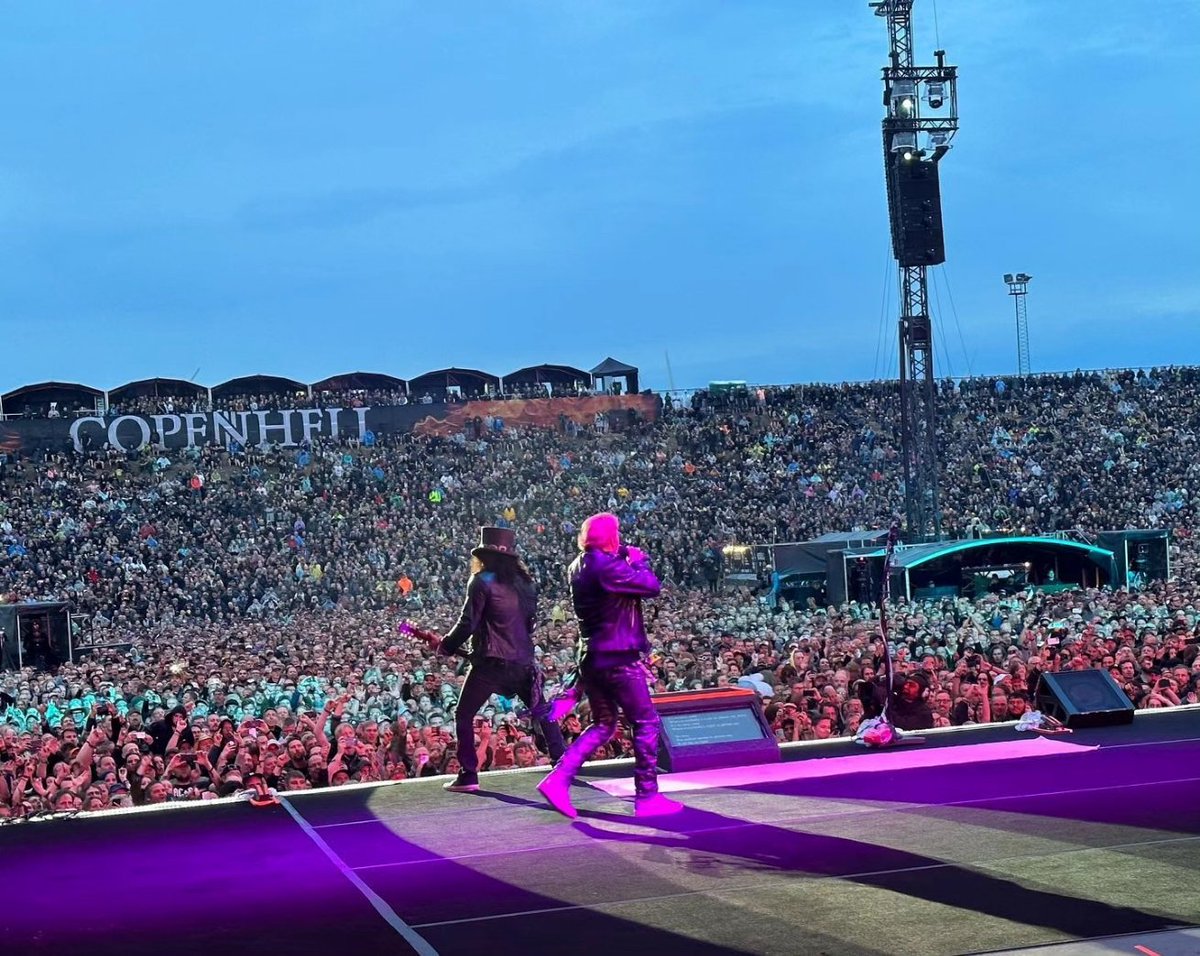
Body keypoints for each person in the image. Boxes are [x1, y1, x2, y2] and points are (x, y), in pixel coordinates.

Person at [537, 512, 682, 818]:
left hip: (592, 657)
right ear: (610, 536)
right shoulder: (607, 566)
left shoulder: (578, 565)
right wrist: (638, 560)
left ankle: (558, 779)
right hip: (618, 657)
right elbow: (650, 585)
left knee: (604, 724)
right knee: (645, 722)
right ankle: (647, 797)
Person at [436, 526, 564, 793]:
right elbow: (529, 624)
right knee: (542, 711)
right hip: (524, 661)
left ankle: (468, 775)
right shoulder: (526, 583)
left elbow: (468, 622)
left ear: (484, 555)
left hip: (491, 663)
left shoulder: (481, 580)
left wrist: (447, 645)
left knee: (464, 714)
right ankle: (561, 759)